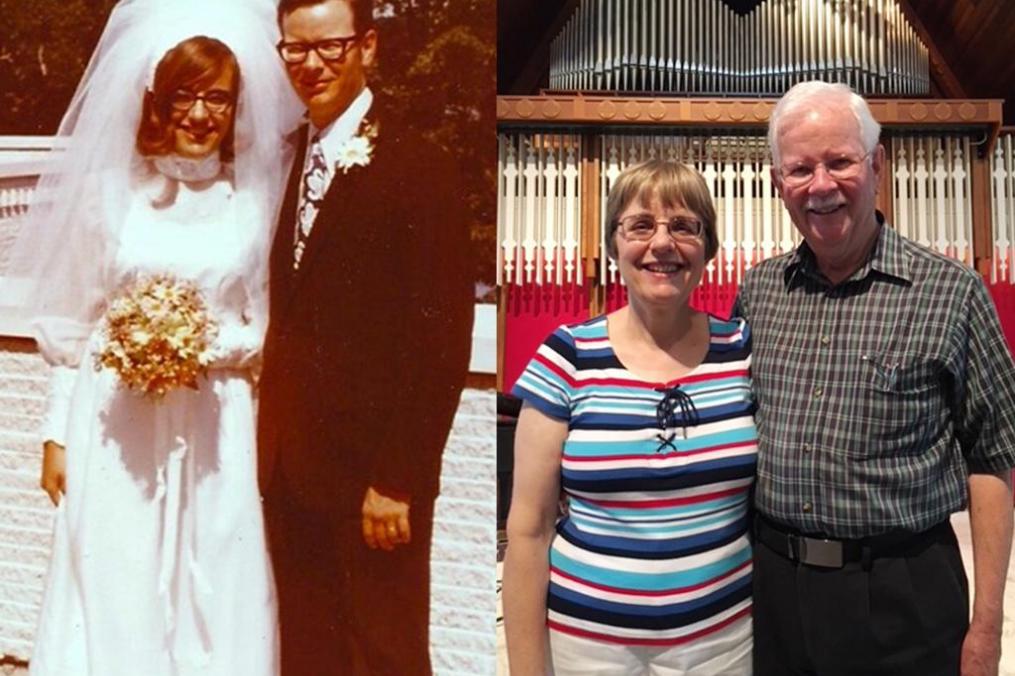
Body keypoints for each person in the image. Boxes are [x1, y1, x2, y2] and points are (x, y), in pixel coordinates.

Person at [6, 1, 298, 674]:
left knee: (212, 572)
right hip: (116, 420)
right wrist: (54, 432)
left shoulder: (252, 205)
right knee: (116, 566)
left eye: (218, 99)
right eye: (185, 96)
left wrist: (200, 348)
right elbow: (76, 318)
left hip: (215, 421)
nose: (200, 114)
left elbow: (264, 326)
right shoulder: (112, 194)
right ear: (156, 103)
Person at [734, 80, 1015, 676]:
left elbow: (994, 460)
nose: (821, 186)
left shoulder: (951, 293)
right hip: (774, 588)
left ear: (877, 164)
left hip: (902, 595)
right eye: (800, 169)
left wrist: (986, 629)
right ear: (777, 182)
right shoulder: (757, 293)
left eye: (839, 162)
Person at [256, 0, 475, 673]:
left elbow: (440, 342)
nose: (311, 64)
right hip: (290, 475)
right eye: (295, 49)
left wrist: (398, 479)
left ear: (368, 46)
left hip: (372, 485)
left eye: (330, 46)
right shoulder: (285, 157)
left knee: (382, 653)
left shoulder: (419, 165)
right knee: (307, 653)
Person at [504, 159, 757, 675]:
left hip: (723, 643)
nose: (662, 243)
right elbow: (528, 531)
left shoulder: (742, 349)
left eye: (684, 226)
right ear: (614, 244)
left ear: (707, 248)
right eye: (641, 225)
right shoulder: (567, 356)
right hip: (590, 647)